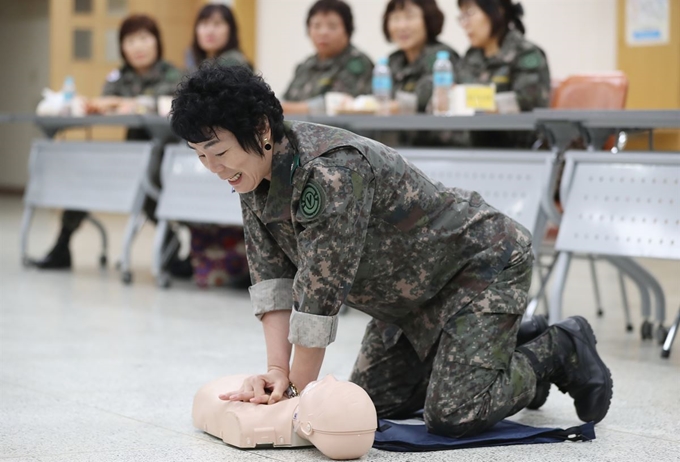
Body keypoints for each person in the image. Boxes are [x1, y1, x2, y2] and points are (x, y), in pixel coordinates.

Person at [170, 64, 613, 438]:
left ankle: (559, 347)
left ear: (261, 129)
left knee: (454, 412)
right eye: (201, 156)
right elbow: (272, 283)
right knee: (373, 406)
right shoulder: (250, 177)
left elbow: (319, 296)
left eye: (219, 152)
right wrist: (276, 372)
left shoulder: (330, 172)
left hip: (479, 266)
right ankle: (498, 346)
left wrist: (293, 401)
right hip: (407, 301)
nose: (214, 169)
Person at [32, 14, 183, 270]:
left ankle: (170, 245)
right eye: (130, 40)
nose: (138, 46)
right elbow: (102, 105)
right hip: (133, 152)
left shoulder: (172, 74)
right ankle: (62, 244)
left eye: (144, 38)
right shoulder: (118, 77)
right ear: (122, 47)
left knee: (147, 178)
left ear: (156, 42)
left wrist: (128, 104)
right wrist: (117, 104)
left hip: (167, 152)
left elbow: (165, 105)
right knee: (88, 174)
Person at [455, 0, 550, 146]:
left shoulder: (526, 53)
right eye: (462, 16)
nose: (465, 24)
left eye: (470, 13)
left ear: (497, 11)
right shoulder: (470, 57)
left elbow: (528, 102)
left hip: (518, 150)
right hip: (472, 148)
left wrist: (471, 101)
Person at [280, 0, 374, 115]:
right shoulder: (305, 65)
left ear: (347, 30)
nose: (323, 32)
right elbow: (285, 99)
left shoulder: (357, 63)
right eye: (316, 26)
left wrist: (284, 108)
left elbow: (336, 105)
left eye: (332, 26)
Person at [383, 0, 459, 113]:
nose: (402, 26)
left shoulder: (441, 57)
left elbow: (428, 97)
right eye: (396, 18)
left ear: (428, 19)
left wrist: (390, 106)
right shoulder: (392, 60)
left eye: (410, 17)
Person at [187, 3, 252, 72]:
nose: (209, 31)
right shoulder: (200, 63)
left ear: (231, 30)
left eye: (217, 24)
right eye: (204, 24)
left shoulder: (233, 63)